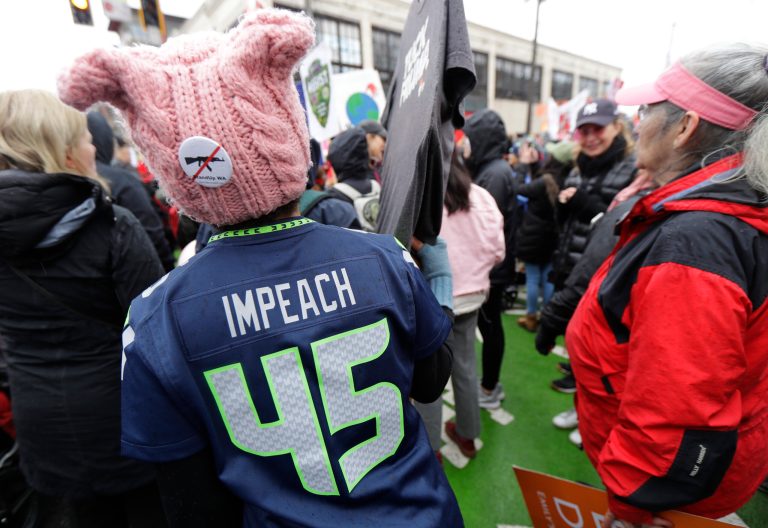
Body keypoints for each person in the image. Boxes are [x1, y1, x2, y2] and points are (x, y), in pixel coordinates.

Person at [59, 8, 462, 527]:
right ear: (289, 136)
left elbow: (192, 503)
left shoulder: (157, 319)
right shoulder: (382, 259)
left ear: (173, 173)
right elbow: (431, 381)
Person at [565, 45, 768, 527]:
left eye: (648, 109)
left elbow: (676, 407)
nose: (638, 120)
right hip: (704, 472)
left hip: (667, 497)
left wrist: (634, 507)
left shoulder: (697, 239)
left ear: (685, 127)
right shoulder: (713, 216)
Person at [0, 90, 166, 527]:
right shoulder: (111, 225)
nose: (95, 146)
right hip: (126, 430)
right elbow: (156, 335)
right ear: (63, 150)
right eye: (84, 137)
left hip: (39, 428)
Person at [414, 148, 504, 460]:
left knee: (430, 371)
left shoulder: (422, 199)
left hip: (435, 299)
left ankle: (431, 450)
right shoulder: (482, 196)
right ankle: (468, 435)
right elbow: (498, 250)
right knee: (465, 367)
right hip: (472, 297)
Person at [549, 98, 636, 394]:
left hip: (606, 272)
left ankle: (582, 388)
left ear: (617, 127)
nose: (590, 137)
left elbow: (625, 226)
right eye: (583, 130)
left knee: (596, 342)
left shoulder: (632, 169)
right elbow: (567, 225)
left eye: (597, 128)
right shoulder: (577, 168)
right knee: (577, 332)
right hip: (573, 263)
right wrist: (563, 206)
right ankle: (576, 372)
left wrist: (586, 206)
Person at [462, 109, 519, 410]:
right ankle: (490, 384)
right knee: (489, 326)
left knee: (490, 326)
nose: (466, 145)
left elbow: (484, 227)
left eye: (471, 138)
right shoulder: (491, 169)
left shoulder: (494, 173)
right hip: (493, 267)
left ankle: (488, 387)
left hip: (492, 270)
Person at [87, 111, 176, 271]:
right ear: (105, 139)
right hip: (138, 274)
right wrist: (168, 269)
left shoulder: (71, 178)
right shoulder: (122, 181)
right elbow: (153, 232)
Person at [515, 141, 574, 332]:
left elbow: (520, 189)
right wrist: (532, 164)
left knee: (532, 278)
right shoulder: (569, 179)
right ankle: (546, 316)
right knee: (547, 277)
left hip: (534, 236)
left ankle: (531, 316)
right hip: (554, 236)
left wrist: (523, 165)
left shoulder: (544, 182)